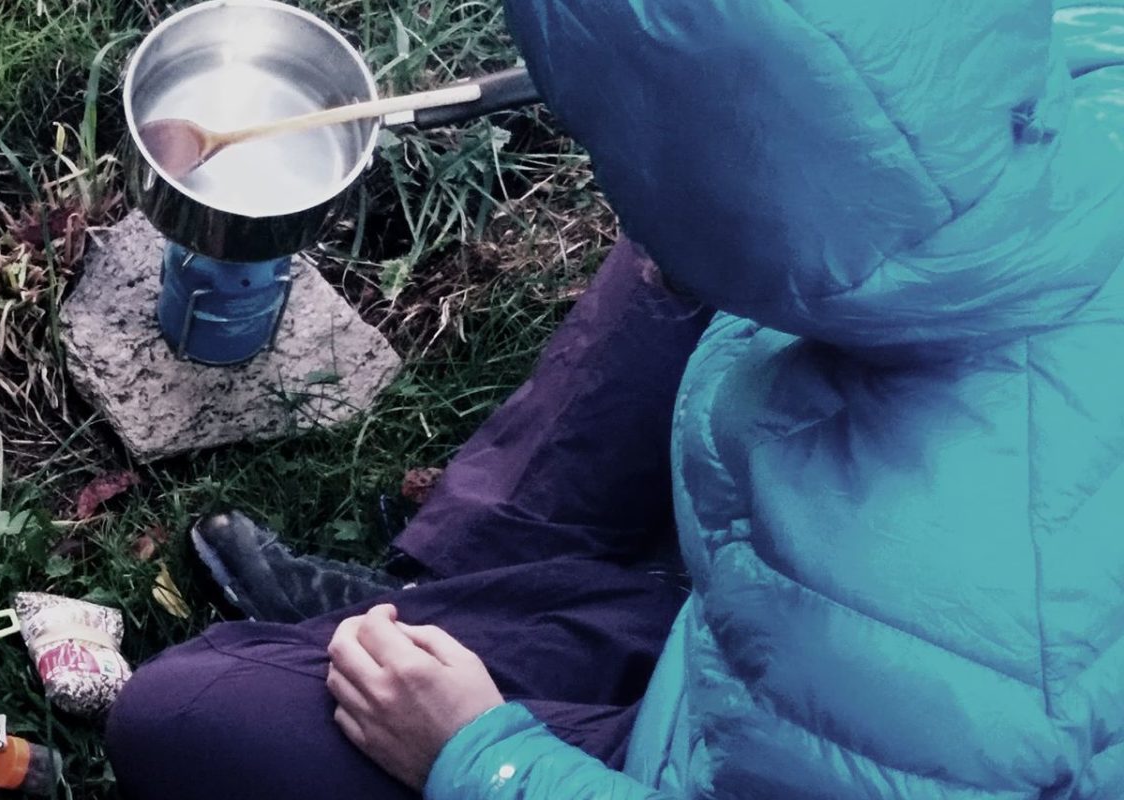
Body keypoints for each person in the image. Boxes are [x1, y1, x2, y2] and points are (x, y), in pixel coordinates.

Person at [105, 1, 1124, 798]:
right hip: (802, 620)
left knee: (185, 712)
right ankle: (431, 595)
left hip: (791, 718)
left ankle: (471, 633)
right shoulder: (1068, 70)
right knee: (684, 233)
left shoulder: (947, 638)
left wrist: (479, 758)